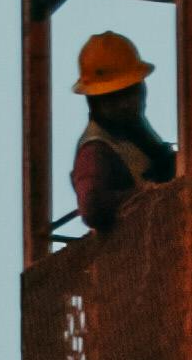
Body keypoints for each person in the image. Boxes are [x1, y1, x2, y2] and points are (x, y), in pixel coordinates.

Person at [70, 31, 176, 233]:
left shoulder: (136, 134)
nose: (127, 104)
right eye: (115, 97)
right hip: (132, 254)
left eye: (132, 91)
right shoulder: (95, 150)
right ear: (96, 101)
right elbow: (93, 209)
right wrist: (148, 194)